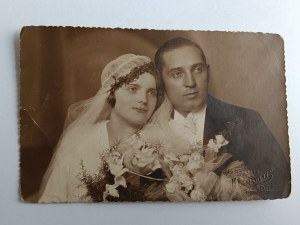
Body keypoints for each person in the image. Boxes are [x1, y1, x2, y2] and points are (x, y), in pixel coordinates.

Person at [150, 37, 290, 200]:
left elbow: (280, 186)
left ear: (207, 72)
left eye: (198, 69)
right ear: (160, 81)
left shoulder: (246, 120)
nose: (190, 82)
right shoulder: (149, 132)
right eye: (177, 73)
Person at [38, 54, 162, 203]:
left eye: (151, 93)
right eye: (132, 89)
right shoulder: (78, 138)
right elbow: (51, 199)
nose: (144, 99)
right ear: (111, 94)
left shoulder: (160, 145)